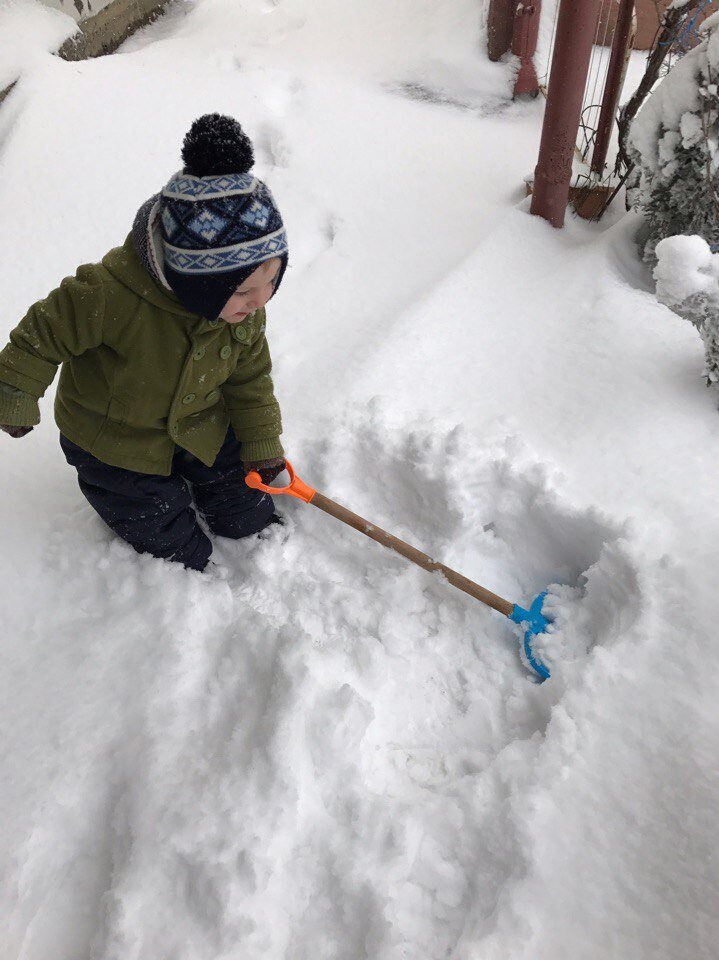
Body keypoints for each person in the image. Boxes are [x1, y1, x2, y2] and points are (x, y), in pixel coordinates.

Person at [0, 113, 289, 572]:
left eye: (272, 280)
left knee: (241, 489)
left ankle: (243, 520)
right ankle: (181, 564)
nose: (260, 301)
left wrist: (264, 444)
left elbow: (250, 380)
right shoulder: (110, 294)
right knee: (151, 516)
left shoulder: (242, 313)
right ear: (194, 279)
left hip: (198, 424)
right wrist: (14, 392)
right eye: (242, 289)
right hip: (114, 439)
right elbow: (43, 334)